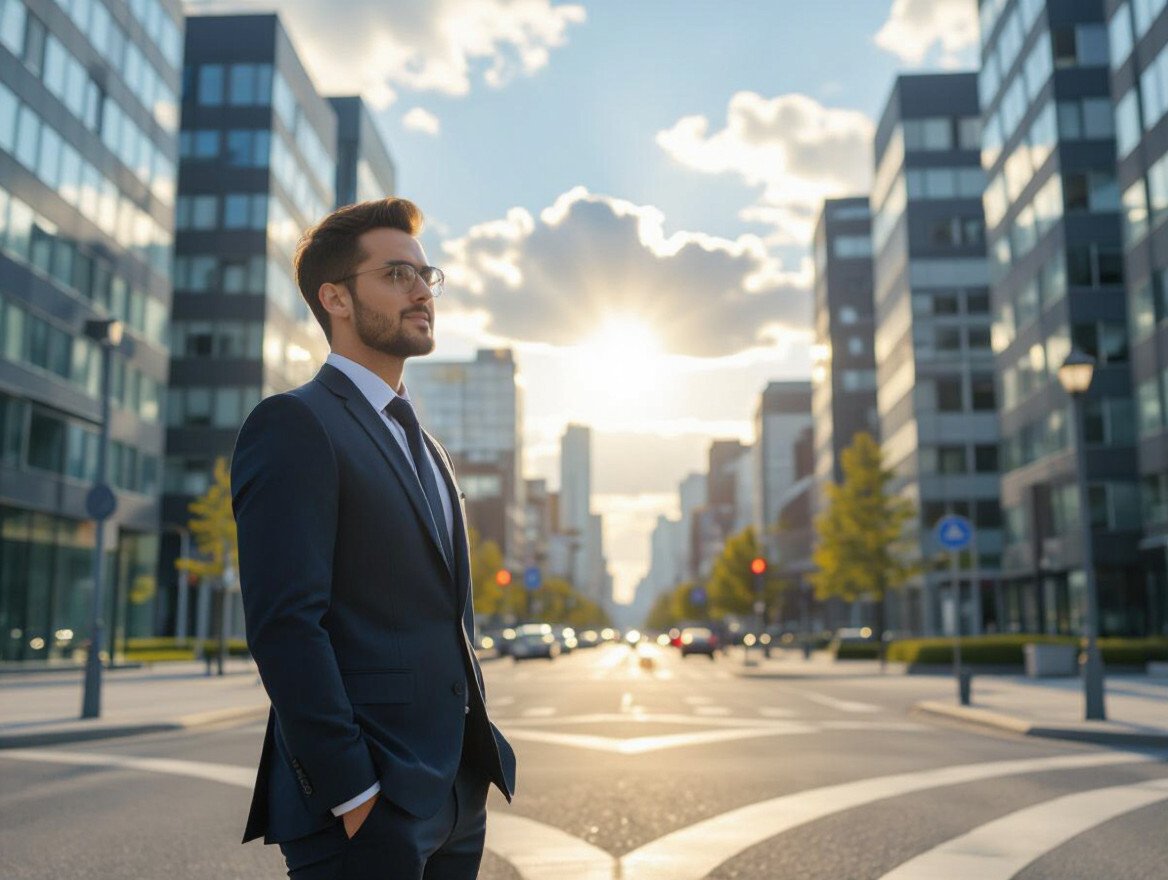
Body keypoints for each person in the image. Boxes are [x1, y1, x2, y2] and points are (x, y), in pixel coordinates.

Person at [231, 197, 516, 879]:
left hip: (454, 792)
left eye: (425, 274)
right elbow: (285, 626)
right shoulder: (294, 424)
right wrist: (354, 794)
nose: (422, 291)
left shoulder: (428, 447)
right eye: (396, 274)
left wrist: (468, 778)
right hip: (367, 808)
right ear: (335, 298)